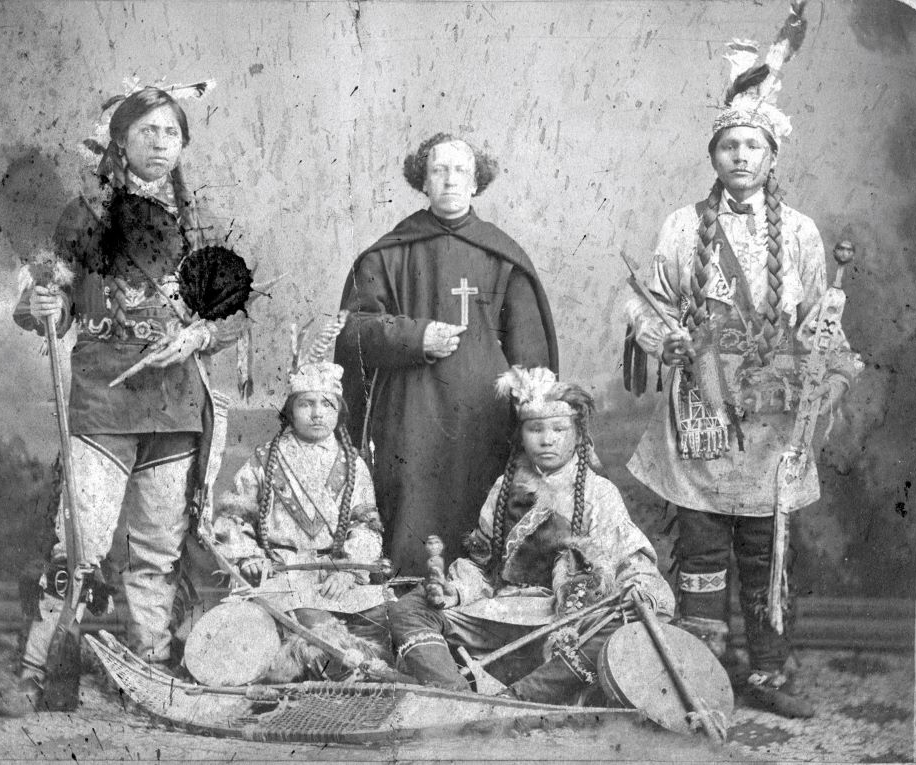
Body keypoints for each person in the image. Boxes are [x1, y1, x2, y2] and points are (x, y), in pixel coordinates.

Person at [623, 5, 861, 719]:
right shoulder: (679, 227)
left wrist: (824, 360)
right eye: (729, 146)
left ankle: (766, 672)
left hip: (774, 416)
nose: (741, 157)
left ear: (772, 155)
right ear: (714, 155)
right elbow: (644, 305)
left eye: (753, 146)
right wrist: (662, 339)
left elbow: (821, 314)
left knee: (766, 546)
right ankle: (702, 670)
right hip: (701, 410)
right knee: (700, 543)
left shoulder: (802, 233)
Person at [0, 84, 241, 716]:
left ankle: (151, 673)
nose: (160, 144)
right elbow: (53, 300)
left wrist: (201, 332)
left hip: (176, 409)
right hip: (104, 404)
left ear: (184, 145)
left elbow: (236, 312)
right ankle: (35, 673)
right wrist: (43, 305)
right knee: (77, 542)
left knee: (158, 550)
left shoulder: (199, 221)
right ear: (121, 141)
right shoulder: (85, 215)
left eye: (171, 134)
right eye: (148, 132)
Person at [334, 133, 558, 576]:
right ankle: (409, 606)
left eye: (461, 171)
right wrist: (416, 338)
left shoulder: (503, 255)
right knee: (411, 509)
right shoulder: (389, 253)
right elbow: (351, 333)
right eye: (439, 170)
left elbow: (531, 355)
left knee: (484, 507)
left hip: (485, 416)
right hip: (409, 414)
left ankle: (476, 600)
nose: (450, 180)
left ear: (477, 183)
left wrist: (533, 396)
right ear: (423, 181)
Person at [388, 367, 674, 705]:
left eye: (559, 429)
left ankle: (518, 698)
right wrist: (455, 591)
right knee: (410, 609)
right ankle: (461, 699)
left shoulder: (600, 493)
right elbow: (483, 565)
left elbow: (632, 561)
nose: (547, 439)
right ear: (521, 434)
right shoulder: (504, 488)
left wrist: (637, 588)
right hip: (498, 611)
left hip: (566, 618)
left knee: (626, 625)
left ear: (579, 435)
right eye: (535, 428)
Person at [210, 315, 393, 681]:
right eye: (306, 403)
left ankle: (352, 667)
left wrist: (349, 569)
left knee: (384, 621)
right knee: (309, 631)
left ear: (339, 411)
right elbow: (232, 517)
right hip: (282, 572)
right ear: (290, 409)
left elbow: (367, 527)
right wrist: (249, 558)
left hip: (333, 573)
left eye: (326, 404)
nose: (316, 413)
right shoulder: (265, 459)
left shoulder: (352, 463)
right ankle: (339, 669)